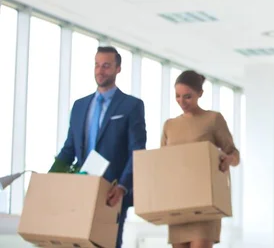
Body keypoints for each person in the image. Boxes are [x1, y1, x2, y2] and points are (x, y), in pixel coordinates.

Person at [53, 46, 147, 248]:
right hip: (80, 188)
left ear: (118, 69)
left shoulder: (131, 106)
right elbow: (69, 149)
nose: (100, 71)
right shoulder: (80, 106)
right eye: (97, 65)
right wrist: (50, 181)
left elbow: (137, 152)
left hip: (111, 192)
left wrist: (123, 187)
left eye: (106, 66)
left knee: (106, 243)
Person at [161, 70, 240, 248]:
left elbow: (234, 155)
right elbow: (162, 162)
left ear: (200, 94)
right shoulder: (170, 125)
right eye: (178, 96)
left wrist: (228, 159)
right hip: (178, 202)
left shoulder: (213, 119)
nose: (182, 102)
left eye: (187, 96)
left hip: (205, 203)